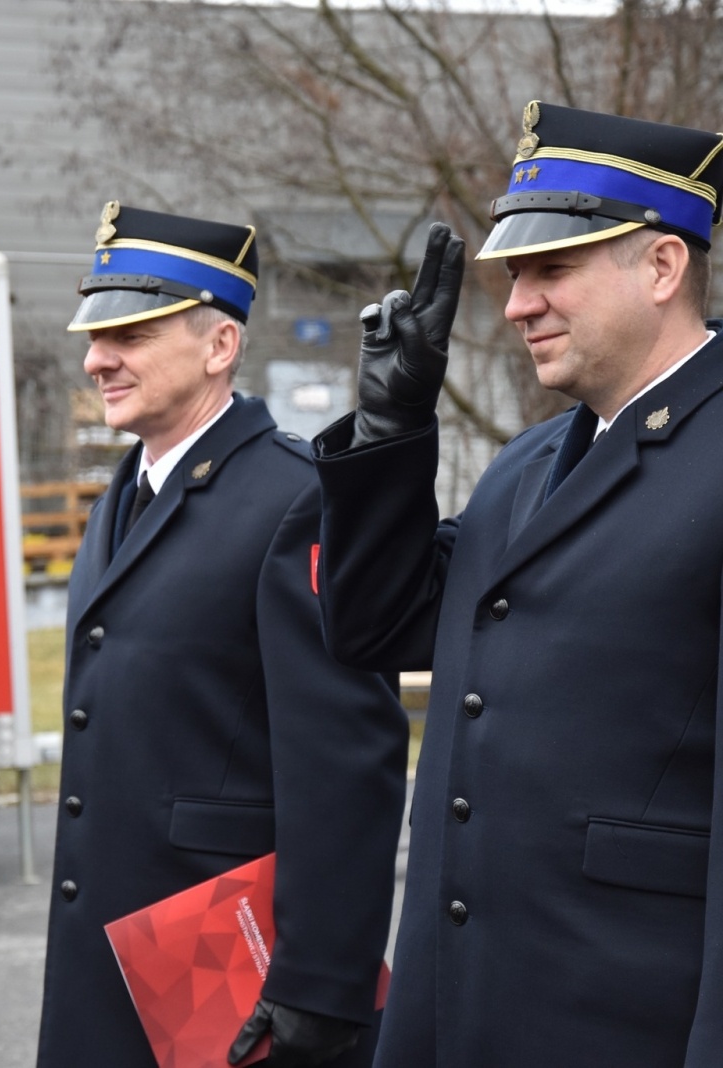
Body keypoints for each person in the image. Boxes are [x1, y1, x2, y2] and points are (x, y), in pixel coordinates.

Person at [312, 102, 723, 1066]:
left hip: (626, 1021)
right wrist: (391, 431)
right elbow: (377, 627)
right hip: (463, 1006)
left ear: (663, 268)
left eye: (552, 270)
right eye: (512, 276)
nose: (515, 304)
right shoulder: (525, 464)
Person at [36, 203, 408, 1068]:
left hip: (231, 984)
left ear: (219, 346)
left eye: (130, 333)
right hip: (119, 967)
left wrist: (321, 983)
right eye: (95, 335)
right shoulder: (128, 495)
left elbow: (344, 760)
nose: (97, 358)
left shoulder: (294, 498)